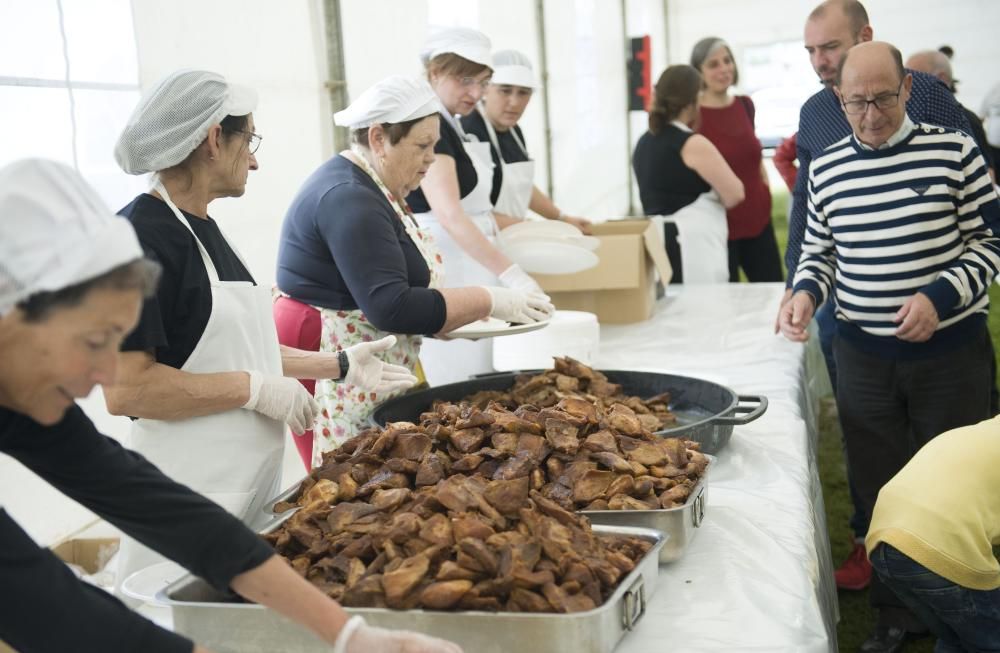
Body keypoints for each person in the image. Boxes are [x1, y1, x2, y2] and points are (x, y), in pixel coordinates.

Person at [0, 158, 460, 653]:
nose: (107, 375)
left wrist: (351, 634)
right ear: (11, 319)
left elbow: (150, 501)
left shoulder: (22, 393)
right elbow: (36, 598)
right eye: (94, 343)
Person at [104, 70, 417, 588]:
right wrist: (255, 390)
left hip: (242, 490)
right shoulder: (137, 240)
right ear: (211, 139)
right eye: (248, 139)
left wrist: (336, 365)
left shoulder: (204, 226)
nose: (254, 158)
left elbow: (229, 345)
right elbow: (128, 388)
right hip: (185, 495)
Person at [779, 41, 1000, 652]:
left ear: (907, 89)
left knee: (953, 490)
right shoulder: (824, 167)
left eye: (882, 99)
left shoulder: (953, 151)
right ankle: (895, 614)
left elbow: (992, 242)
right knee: (876, 486)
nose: (870, 115)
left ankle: (968, 606)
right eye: (855, 103)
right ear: (838, 99)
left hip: (949, 357)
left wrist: (939, 297)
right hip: (863, 357)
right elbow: (819, 252)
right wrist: (805, 292)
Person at [274, 75, 553, 465]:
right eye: (422, 146)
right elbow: (391, 307)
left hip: (370, 343)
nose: (430, 158)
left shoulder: (376, 183)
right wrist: (487, 298)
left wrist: (455, 319)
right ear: (378, 139)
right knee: (354, 470)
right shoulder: (350, 198)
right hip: (331, 346)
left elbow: (389, 285)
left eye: (435, 145)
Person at [405, 26, 552, 386]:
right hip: (450, 262)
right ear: (435, 72)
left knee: (478, 371)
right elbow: (451, 216)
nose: (476, 93)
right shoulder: (432, 126)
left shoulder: (449, 122)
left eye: (483, 82)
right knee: (456, 378)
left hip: (469, 261)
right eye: (466, 80)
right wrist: (512, 274)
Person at [866, 415, 1000, 653]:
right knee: (989, 640)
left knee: (957, 635)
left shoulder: (985, 431)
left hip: (884, 538)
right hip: (940, 545)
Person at [632, 64, 745, 284]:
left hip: (659, 251)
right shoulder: (692, 144)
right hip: (695, 253)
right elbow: (735, 194)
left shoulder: (643, 143)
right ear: (693, 100)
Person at [460, 49, 590, 232]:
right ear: (485, 89)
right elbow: (466, 214)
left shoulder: (513, 131)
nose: (514, 102)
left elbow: (521, 188)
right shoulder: (469, 134)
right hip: (481, 243)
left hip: (511, 235)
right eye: (505, 91)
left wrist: (562, 218)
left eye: (523, 93)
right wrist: (530, 227)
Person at [689, 37, 783, 283]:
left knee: (772, 296)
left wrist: (765, 191)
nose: (724, 68)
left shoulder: (745, 105)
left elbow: (754, 156)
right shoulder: (692, 115)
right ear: (698, 72)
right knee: (727, 306)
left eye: (727, 60)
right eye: (713, 64)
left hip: (759, 218)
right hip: (720, 226)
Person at [906, 48, 996, 180]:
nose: (907, 86)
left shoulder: (967, 119)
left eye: (916, 79)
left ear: (941, 78)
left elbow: (987, 173)